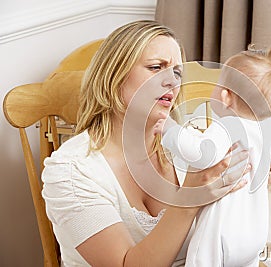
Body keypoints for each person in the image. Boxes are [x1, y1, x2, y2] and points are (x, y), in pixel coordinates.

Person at [41, 20, 253, 266]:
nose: (173, 82)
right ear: (113, 75)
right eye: (155, 67)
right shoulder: (71, 171)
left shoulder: (189, 145)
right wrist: (188, 200)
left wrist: (245, 177)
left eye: (178, 73)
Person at [154, 44, 271, 266]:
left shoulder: (227, 127)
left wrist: (170, 129)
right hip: (255, 231)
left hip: (222, 232)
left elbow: (201, 154)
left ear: (225, 96)